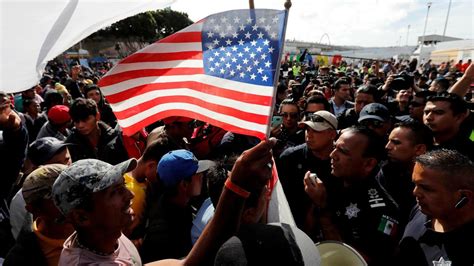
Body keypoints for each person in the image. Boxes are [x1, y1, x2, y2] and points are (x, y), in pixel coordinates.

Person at [304, 126, 400, 264]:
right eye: (335, 147)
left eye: (342, 151)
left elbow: (358, 261)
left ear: (368, 164)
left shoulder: (383, 209)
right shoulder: (330, 183)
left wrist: (323, 209)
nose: (332, 155)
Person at [51, 158, 141, 265]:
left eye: (124, 185)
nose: (130, 195)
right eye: (114, 192)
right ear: (82, 217)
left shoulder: (107, 234)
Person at [397, 149, 474, 265]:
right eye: (415, 184)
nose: (415, 192)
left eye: (426, 188)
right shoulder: (419, 211)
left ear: (463, 196)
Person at [140, 150, 213, 262]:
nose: (202, 176)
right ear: (184, 184)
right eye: (197, 174)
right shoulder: (163, 233)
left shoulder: (180, 203)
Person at [277, 111, 339, 233]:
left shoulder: (342, 160)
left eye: (316, 131)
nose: (309, 135)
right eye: (307, 129)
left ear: (332, 134)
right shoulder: (290, 157)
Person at [4, 164, 74, 266]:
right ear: (34, 209)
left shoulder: (95, 227)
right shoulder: (20, 259)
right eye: (60, 198)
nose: (73, 203)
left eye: (74, 193)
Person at [9, 137, 72, 240]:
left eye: (67, 159)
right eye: (57, 164)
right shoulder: (22, 201)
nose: (65, 167)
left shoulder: (81, 183)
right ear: (37, 170)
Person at [377, 122, 433, 224]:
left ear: (419, 149)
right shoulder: (386, 171)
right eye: (388, 141)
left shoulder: (437, 180)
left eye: (396, 142)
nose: (387, 146)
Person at [66, 98, 129, 164]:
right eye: (76, 121)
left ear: (97, 116)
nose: (80, 125)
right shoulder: (71, 144)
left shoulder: (116, 138)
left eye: (85, 120)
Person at [423, 92, 473, 160]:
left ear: (459, 117)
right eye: (426, 112)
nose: (428, 117)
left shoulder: (468, 150)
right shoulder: (417, 139)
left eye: (438, 113)